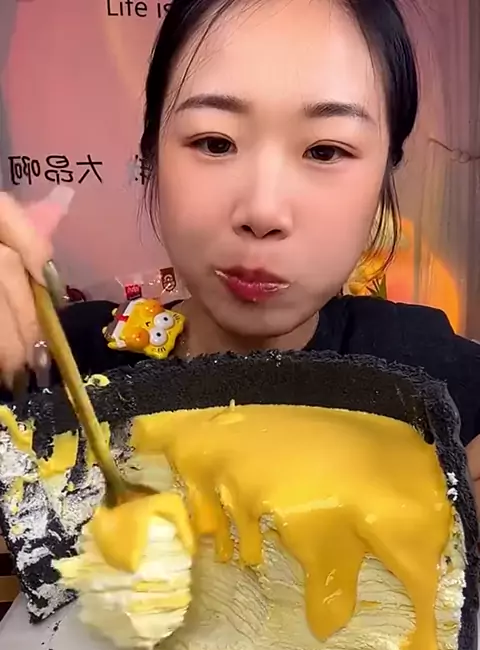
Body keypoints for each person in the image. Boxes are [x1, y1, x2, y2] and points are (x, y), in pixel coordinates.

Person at [0, 0, 479, 507]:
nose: (263, 211)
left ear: (385, 173)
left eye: (325, 151)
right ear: (151, 153)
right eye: (215, 143)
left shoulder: (430, 376)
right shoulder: (59, 366)